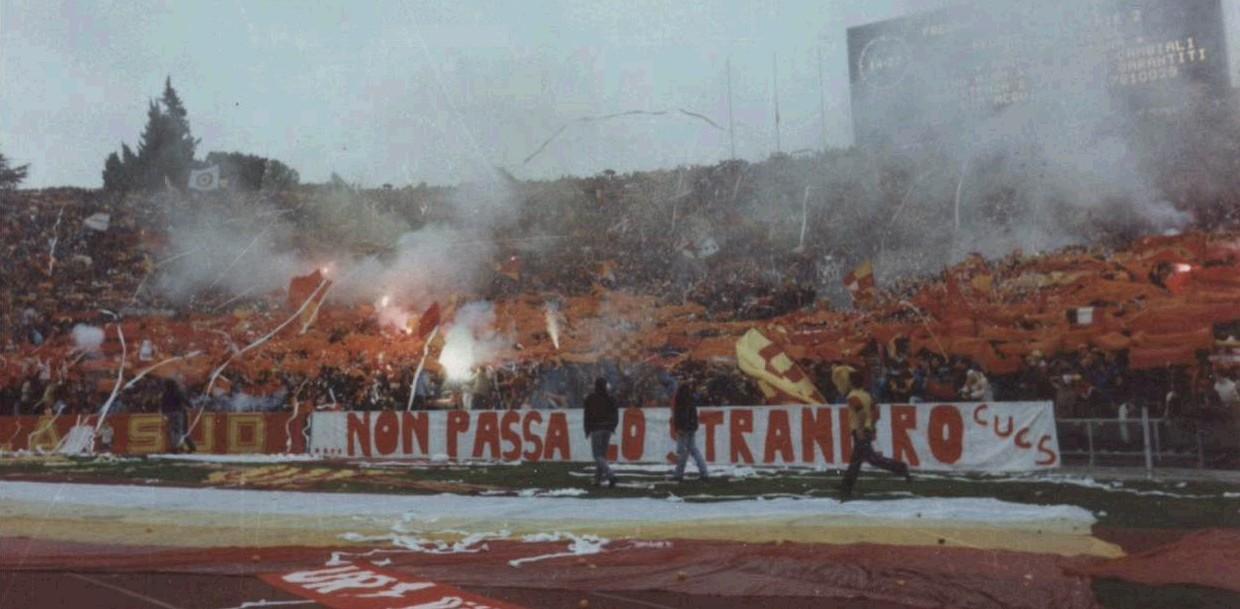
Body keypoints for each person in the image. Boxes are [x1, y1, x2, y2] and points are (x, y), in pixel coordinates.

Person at [840, 368, 910, 500]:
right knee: (856, 461)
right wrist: (871, 426)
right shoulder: (867, 395)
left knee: (871, 459)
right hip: (866, 429)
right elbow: (874, 411)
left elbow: (861, 413)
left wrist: (860, 429)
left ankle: (900, 467)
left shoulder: (852, 396)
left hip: (859, 431)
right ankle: (846, 486)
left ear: (851, 382)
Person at [582, 377, 619, 488]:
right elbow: (615, 415)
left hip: (596, 428)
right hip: (607, 428)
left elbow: (587, 416)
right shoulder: (611, 398)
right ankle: (597, 479)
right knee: (602, 455)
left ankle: (610, 474)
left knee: (597, 456)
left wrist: (587, 429)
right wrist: (613, 426)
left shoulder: (590, 398)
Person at [670, 383, 709, 482]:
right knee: (693, 449)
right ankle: (704, 472)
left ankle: (678, 474)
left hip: (684, 428)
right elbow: (693, 415)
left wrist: (680, 427)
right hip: (691, 427)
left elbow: (681, 415)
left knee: (682, 451)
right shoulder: (691, 399)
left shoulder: (680, 400)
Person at [160, 378, 197, 454]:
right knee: (181, 429)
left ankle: (178, 446)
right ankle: (187, 446)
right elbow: (184, 400)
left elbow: (162, 404)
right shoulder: (177, 392)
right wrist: (191, 406)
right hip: (178, 412)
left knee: (174, 430)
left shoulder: (165, 393)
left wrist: (163, 413)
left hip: (170, 413)